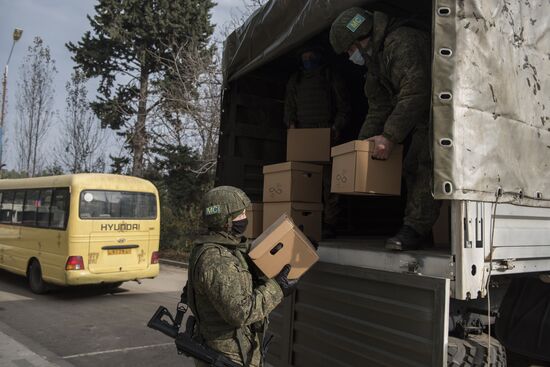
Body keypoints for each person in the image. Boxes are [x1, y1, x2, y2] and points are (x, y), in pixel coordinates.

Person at [329, 8, 440, 250]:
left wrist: (389, 136)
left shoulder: (401, 42)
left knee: (420, 163)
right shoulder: (375, 61)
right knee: (412, 165)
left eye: (349, 49)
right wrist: (361, 147)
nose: (350, 56)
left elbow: (416, 93)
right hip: (421, 113)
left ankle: (415, 228)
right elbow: (378, 107)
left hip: (440, 110)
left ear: (361, 38)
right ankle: (421, 226)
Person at [187, 186, 297, 367]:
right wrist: (277, 288)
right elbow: (240, 313)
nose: (245, 218)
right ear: (225, 221)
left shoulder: (222, 248)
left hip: (233, 352)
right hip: (228, 357)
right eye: (240, 215)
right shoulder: (217, 260)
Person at [284, 44, 351, 237]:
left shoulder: (330, 76)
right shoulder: (295, 80)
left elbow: (343, 106)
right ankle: (305, 222)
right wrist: (291, 126)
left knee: (330, 183)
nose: (308, 59)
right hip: (303, 136)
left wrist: (336, 127)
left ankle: (330, 224)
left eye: (311, 55)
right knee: (304, 182)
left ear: (319, 57)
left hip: (326, 134)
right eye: (304, 56)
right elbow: (289, 107)